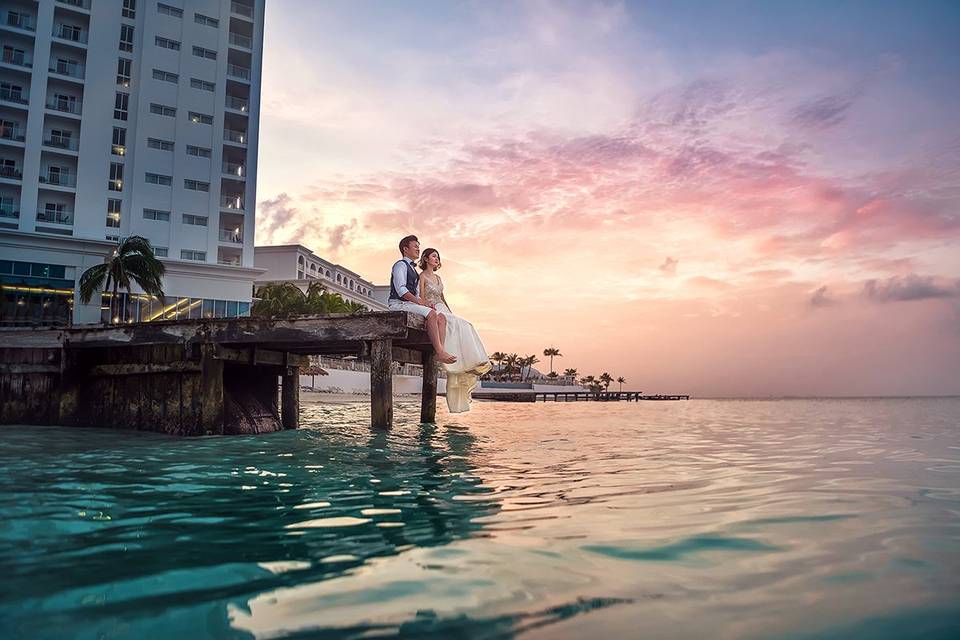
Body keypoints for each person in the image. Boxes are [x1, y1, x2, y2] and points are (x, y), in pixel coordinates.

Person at [418, 248, 492, 412]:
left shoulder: (438, 277)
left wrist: (450, 312)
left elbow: (443, 298)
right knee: (452, 323)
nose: (436, 259)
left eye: (438, 257)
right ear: (426, 259)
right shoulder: (422, 276)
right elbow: (421, 297)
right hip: (432, 308)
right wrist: (428, 308)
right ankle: (449, 356)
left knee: (465, 324)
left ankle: (471, 362)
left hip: (443, 308)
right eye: (433, 256)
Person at [387, 235, 457, 364]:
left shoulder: (413, 270)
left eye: (419, 247)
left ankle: (439, 351)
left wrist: (425, 303)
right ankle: (440, 352)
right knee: (431, 314)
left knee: (441, 317)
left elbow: (418, 294)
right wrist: (419, 302)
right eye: (415, 247)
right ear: (405, 249)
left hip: (409, 304)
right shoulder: (400, 266)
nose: (418, 249)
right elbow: (401, 290)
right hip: (399, 304)